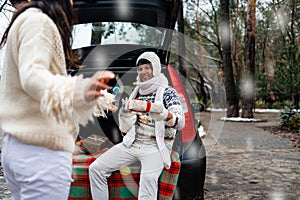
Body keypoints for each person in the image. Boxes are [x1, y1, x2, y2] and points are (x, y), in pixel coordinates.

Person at [0, 0, 115, 199]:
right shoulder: (40, 22)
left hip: (21, 146)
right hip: (42, 152)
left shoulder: (27, 19)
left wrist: (94, 98)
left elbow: (34, 90)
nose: (72, 3)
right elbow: (34, 78)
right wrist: (79, 90)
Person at [89, 51, 185, 199]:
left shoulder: (168, 92)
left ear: (156, 68)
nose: (143, 72)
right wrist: (125, 114)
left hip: (155, 147)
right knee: (96, 169)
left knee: (147, 180)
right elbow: (125, 129)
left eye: (147, 67)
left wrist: (164, 114)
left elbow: (181, 122)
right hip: (132, 143)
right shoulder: (135, 93)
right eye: (140, 69)